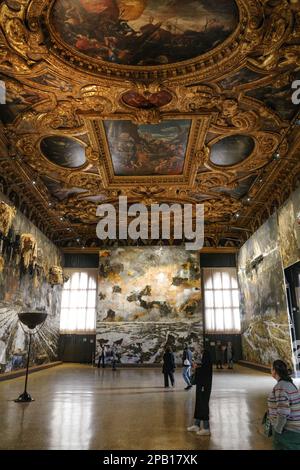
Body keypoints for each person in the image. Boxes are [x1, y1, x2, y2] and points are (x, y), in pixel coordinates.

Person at [268, 359, 300, 450]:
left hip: (288, 432)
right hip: (295, 429)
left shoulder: (281, 387)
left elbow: (283, 412)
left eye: (271, 368)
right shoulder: (289, 383)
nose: (271, 371)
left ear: (275, 371)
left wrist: (277, 430)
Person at [187, 350, 213, 436]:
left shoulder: (205, 367)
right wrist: (196, 369)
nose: (201, 357)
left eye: (202, 355)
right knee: (199, 405)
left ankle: (206, 428)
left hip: (203, 389)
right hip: (201, 389)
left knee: (203, 406)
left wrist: (194, 369)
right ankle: (196, 425)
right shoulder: (206, 366)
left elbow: (193, 381)